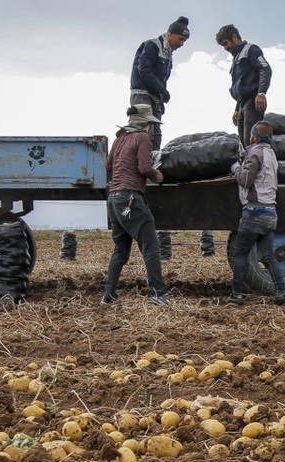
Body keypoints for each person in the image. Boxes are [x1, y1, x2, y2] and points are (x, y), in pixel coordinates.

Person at [103, 104, 171, 306]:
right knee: (150, 246)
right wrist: (157, 175)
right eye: (150, 123)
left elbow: (108, 166)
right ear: (144, 123)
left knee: (121, 250)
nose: (151, 127)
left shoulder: (119, 138)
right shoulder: (143, 138)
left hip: (114, 199)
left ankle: (109, 294)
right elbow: (144, 167)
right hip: (131, 198)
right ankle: (159, 293)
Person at [226, 121, 285, 306]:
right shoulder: (271, 154)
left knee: (240, 253)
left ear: (254, 136)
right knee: (269, 256)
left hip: (254, 212)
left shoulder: (255, 153)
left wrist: (235, 167)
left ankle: (236, 296)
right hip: (270, 212)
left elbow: (245, 180)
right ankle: (282, 293)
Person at [130, 16, 190, 149]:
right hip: (142, 95)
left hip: (155, 97)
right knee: (142, 133)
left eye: (184, 41)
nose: (181, 44)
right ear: (170, 33)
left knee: (156, 135)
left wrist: (161, 99)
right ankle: (135, 166)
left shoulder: (168, 53)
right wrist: (162, 90)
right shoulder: (152, 45)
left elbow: (163, 79)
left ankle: (151, 166)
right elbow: (143, 69)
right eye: (180, 39)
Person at [216, 24, 272, 150]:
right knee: (243, 143)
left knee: (251, 141)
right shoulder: (236, 59)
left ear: (234, 37)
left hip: (253, 101)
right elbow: (240, 86)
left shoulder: (250, 50)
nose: (225, 48)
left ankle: (254, 168)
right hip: (242, 104)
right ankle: (247, 168)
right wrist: (236, 109)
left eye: (226, 43)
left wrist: (261, 93)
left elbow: (265, 68)